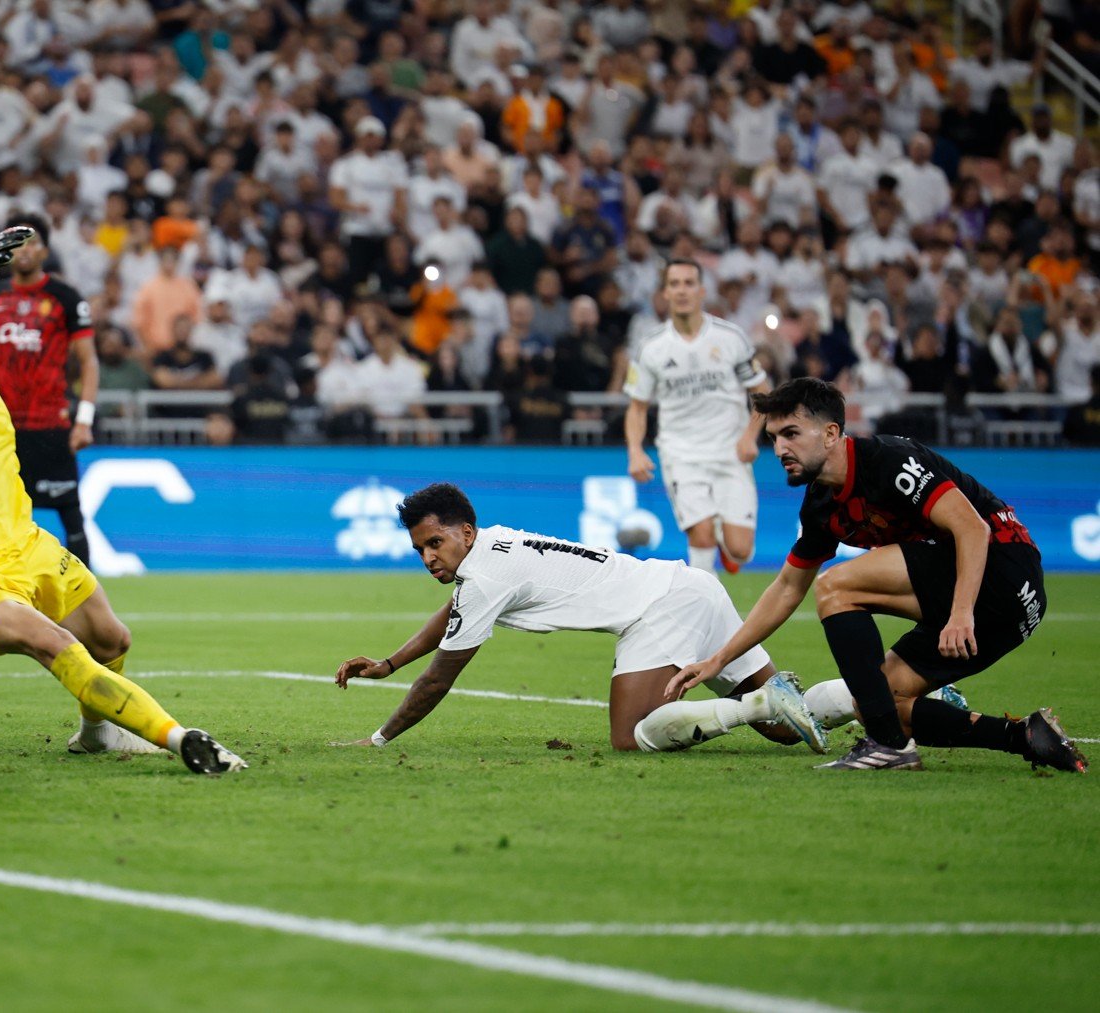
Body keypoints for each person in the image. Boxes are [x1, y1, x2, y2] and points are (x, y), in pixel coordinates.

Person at [0, 219, 246, 774]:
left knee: (112, 639)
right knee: (58, 645)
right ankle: (179, 737)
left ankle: (95, 734)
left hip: (26, 544)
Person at [671, 378, 1086, 773]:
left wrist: (961, 614)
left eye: (792, 434)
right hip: (999, 611)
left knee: (837, 586)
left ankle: (887, 746)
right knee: (881, 700)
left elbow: (972, 528)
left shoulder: (889, 461)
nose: (780, 448)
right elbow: (785, 589)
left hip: (1003, 570)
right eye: (774, 438)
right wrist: (718, 660)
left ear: (831, 433)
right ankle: (1025, 736)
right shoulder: (820, 505)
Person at [331, 483, 825, 753]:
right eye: (419, 550)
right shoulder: (491, 544)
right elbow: (455, 611)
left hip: (660, 609)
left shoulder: (483, 578)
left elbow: (440, 678)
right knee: (786, 731)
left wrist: (378, 739)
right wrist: (390, 664)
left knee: (630, 736)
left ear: (464, 531)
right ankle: (876, 703)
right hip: (688, 586)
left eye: (435, 543)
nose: (428, 558)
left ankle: (759, 705)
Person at [0, 213, 98, 565]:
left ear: (45, 251)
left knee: (71, 515)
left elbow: (89, 362)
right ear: (8, 251)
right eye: (18, 242)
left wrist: (83, 420)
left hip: (51, 423)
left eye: (33, 242)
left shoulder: (65, 297)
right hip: (1, 428)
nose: (25, 250)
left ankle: (86, 605)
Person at [624, 259, 771, 574]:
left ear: (702, 290)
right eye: (674, 283)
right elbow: (637, 407)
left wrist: (750, 436)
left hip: (730, 451)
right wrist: (635, 451)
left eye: (689, 283)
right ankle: (707, 612)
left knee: (741, 550)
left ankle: (725, 536)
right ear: (665, 292)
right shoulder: (651, 348)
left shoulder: (730, 338)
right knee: (700, 537)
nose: (682, 290)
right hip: (681, 453)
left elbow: (762, 391)